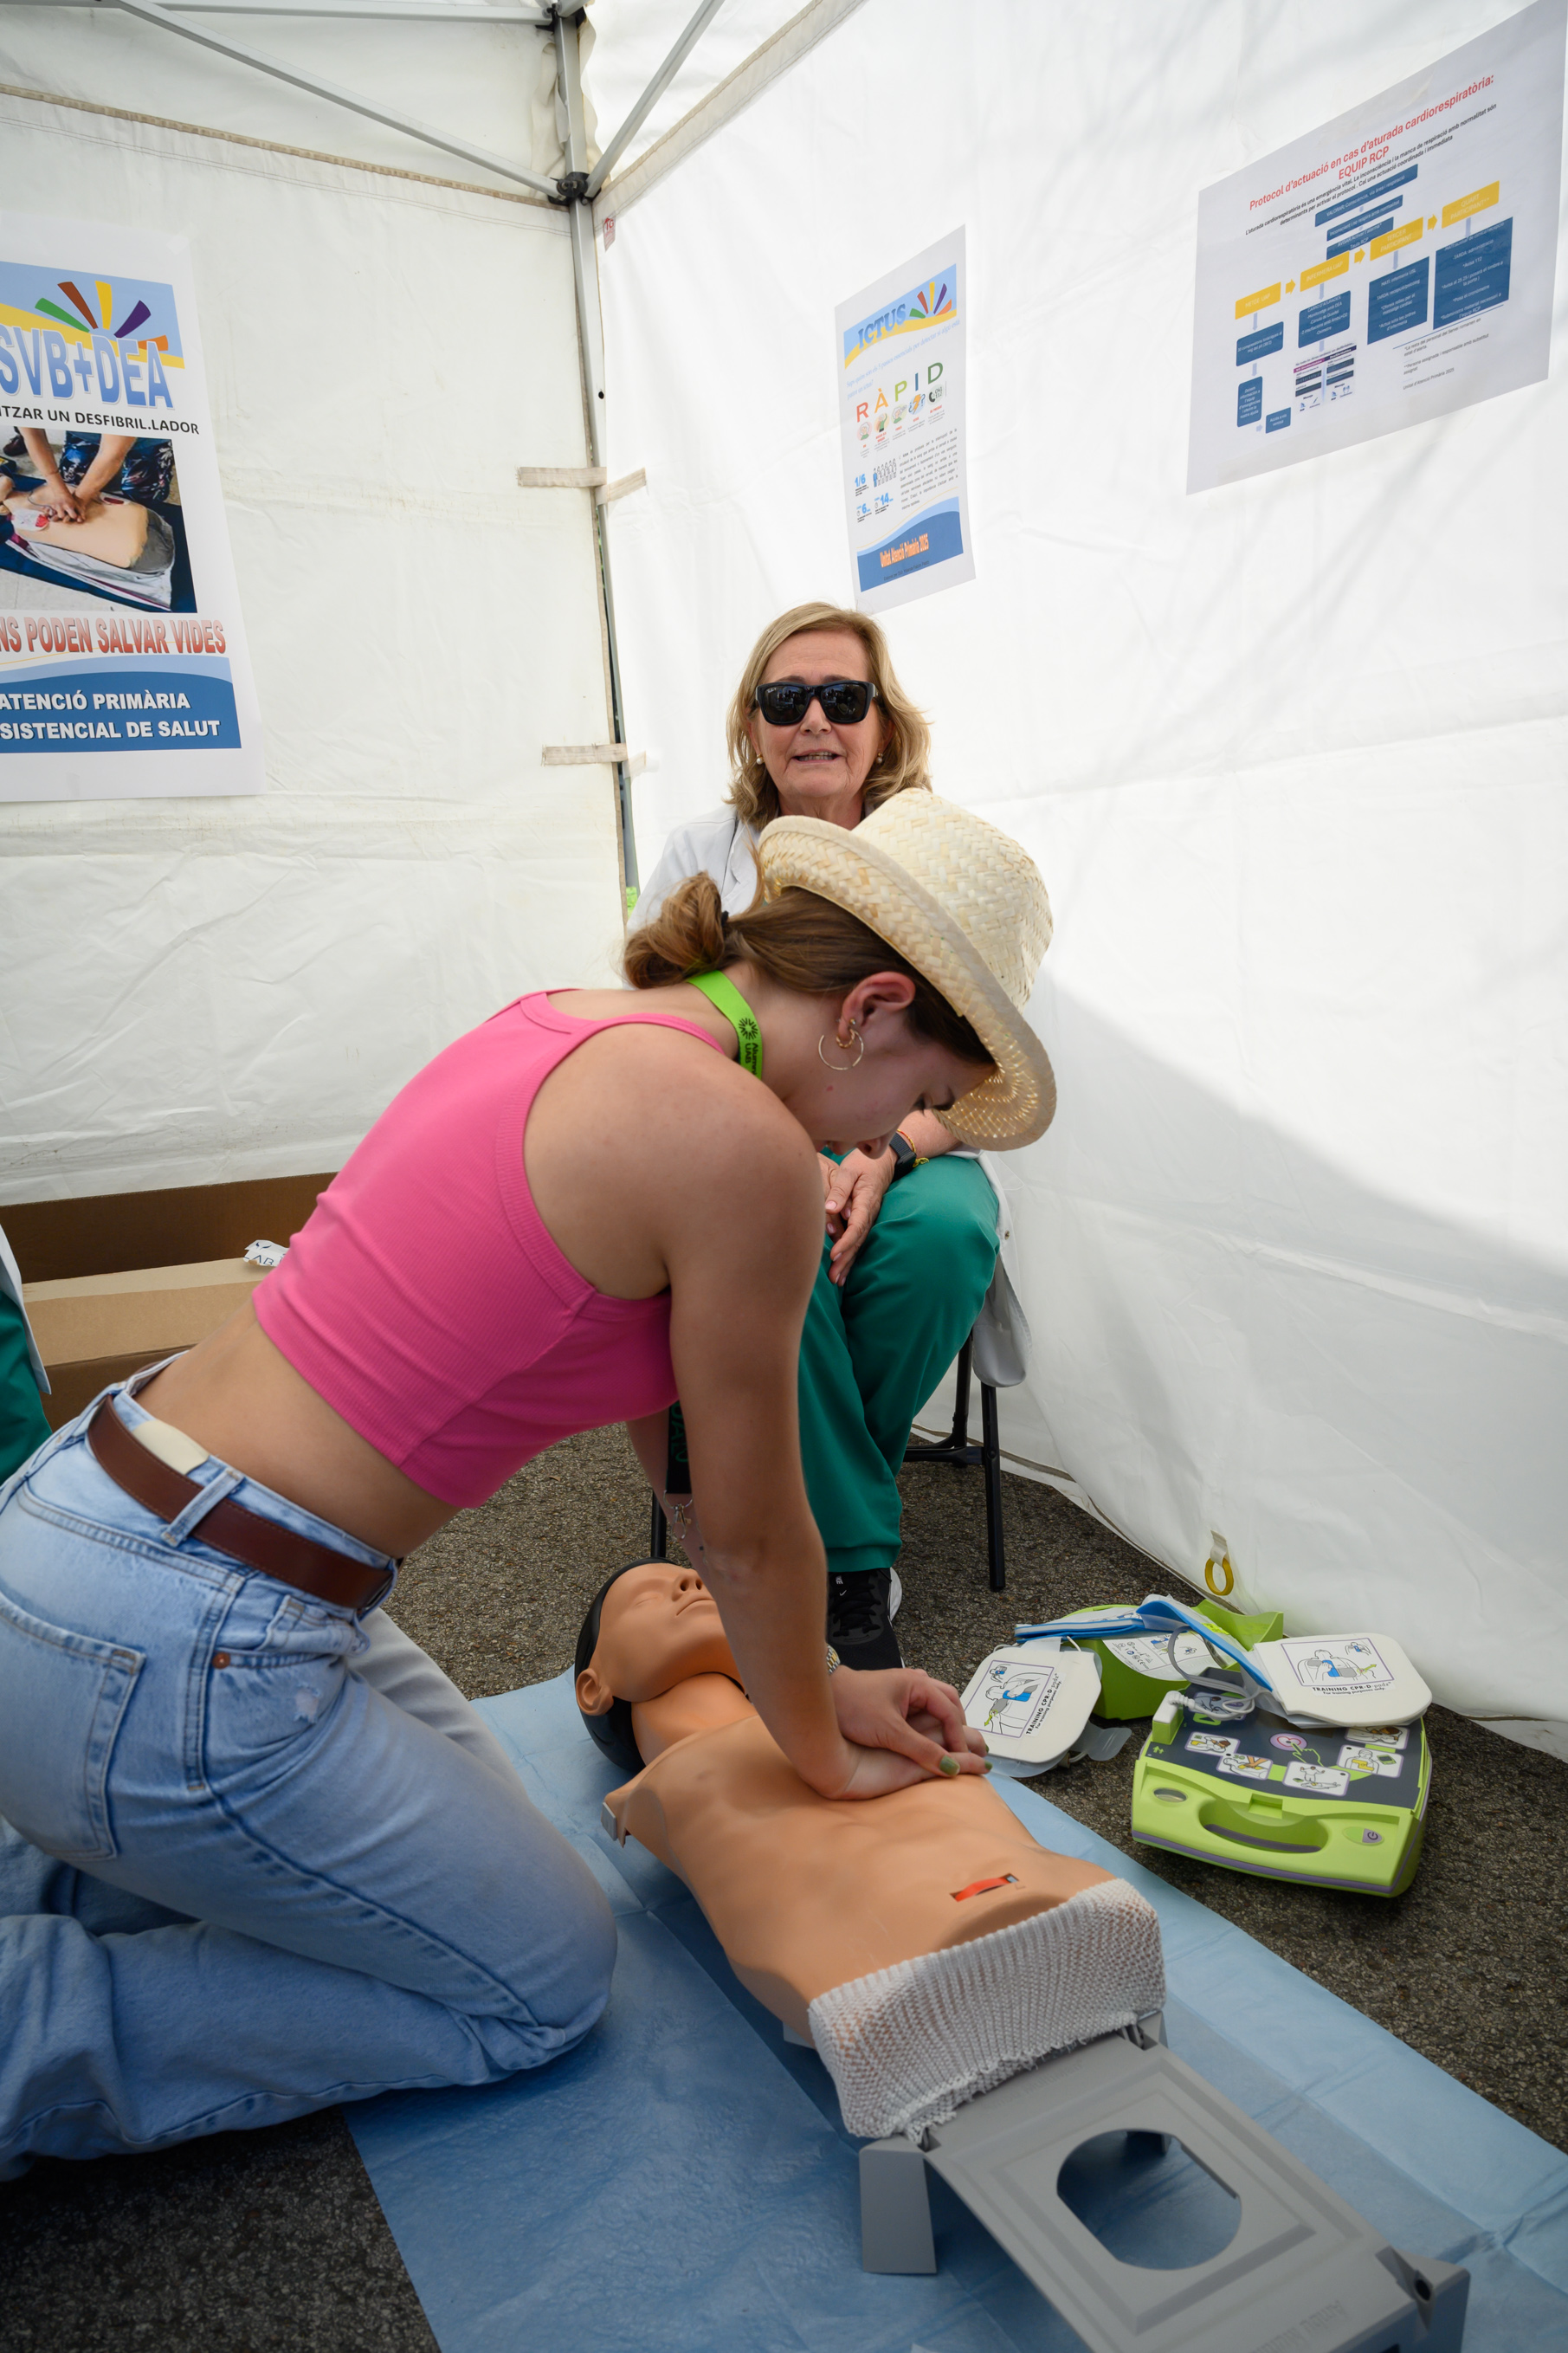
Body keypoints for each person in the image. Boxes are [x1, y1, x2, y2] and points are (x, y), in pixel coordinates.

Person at [0, 784, 1055, 2173]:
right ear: (868, 1008)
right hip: (191, 1633)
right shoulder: (741, 1146)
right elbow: (750, 1538)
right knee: (540, 1981)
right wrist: (819, 1747)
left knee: (470, 1858)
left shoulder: (566, 1019)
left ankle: (60, 1819)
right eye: (913, 1098)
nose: (885, 1134)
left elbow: (693, 1492)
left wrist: (810, 1678)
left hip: (79, 1523)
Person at [630, 603, 1025, 1669]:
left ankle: (800, 1505)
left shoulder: (940, 854)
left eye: (843, 698)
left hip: (912, 1140)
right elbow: (661, 1030)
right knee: (773, 1234)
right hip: (739, 1130)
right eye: (785, 698)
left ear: (883, 723)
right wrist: (792, 1158)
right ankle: (848, 1561)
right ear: (750, 724)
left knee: (944, 1237)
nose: (814, 720)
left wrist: (881, 1155)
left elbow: (975, 1064)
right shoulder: (699, 851)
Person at [576, 1557, 1165, 2140]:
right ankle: (879, 1964)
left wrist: (830, 1681)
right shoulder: (667, 1786)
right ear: (592, 1687)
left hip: (1019, 1904)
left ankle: (1020, 1903)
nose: (691, 1580)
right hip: (857, 1959)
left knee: (933, 1780)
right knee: (746, 1814)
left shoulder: (835, 1708)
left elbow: (754, 1552)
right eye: (646, 1596)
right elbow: (749, 1537)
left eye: (701, 1578)